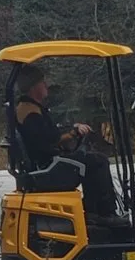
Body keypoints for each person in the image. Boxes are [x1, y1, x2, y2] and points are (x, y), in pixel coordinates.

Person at [15, 64, 124, 224]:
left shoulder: (30, 109)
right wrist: (73, 133)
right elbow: (49, 140)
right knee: (98, 162)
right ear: (33, 86)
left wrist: (70, 133)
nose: (46, 85)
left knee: (89, 159)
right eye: (42, 82)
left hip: (45, 163)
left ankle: (96, 213)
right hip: (47, 166)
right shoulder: (30, 112)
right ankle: (103, 214)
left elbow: (49, 136)